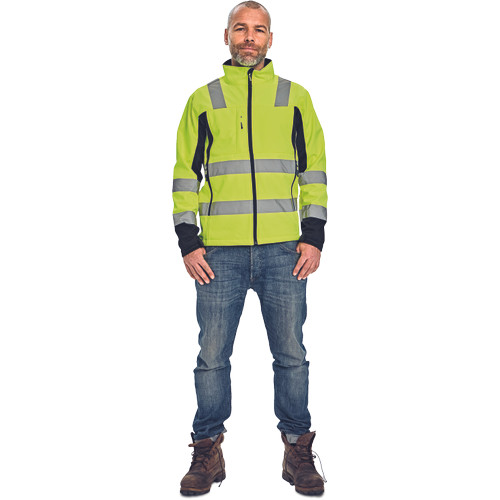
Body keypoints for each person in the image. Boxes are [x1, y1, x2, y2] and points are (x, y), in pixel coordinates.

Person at [172, 1, 327, 495]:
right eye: (240, 28)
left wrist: (313, 234)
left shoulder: (295, 97)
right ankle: (207, 450)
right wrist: (189, 240)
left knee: (292, 356)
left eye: (258, 30)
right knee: (212, 358)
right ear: (226, 37)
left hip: (286, 251)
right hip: (219, 254)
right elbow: (184, 175)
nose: (249, 37)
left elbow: (314, 170)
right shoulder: (203, 100)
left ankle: (297, 450)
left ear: (270, 39)